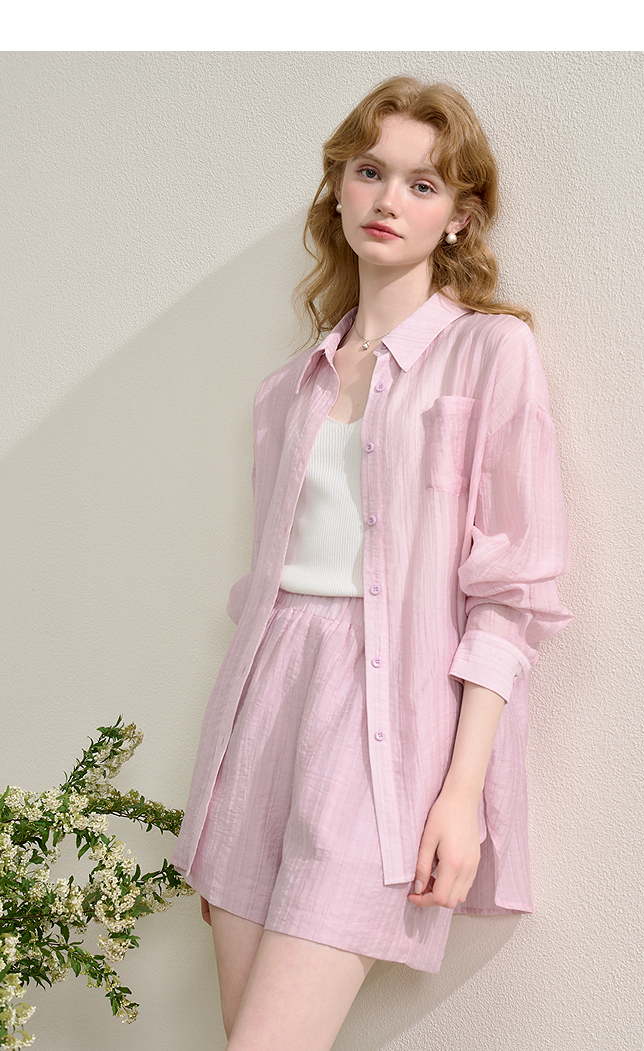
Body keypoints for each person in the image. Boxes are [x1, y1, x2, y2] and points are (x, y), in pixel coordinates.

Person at [170, 74, 572, 1051]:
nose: (389, 199)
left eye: (423, 184)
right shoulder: (289, 388)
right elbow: (269, 582)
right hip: (266, 701)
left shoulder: (491, 354)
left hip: (389, 725)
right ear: (339, 189)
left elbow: (510, 594)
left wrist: (462, 792)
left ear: (459, 215)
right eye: (370, 172)